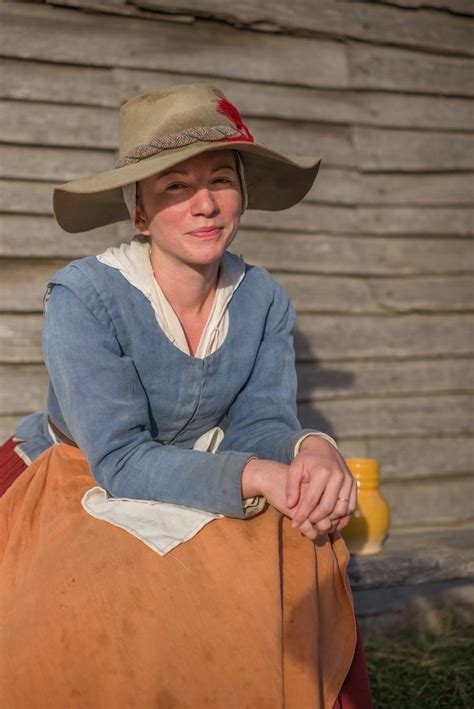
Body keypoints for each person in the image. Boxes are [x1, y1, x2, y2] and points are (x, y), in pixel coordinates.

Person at [0, 84, 372, 708]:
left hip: (207, 463)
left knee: (295, 546)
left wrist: (311, 449)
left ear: (243, 195)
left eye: (221, 180)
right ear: (141, 213)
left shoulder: (263, 298)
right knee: (97, 589)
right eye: (175, 186)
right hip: (81, 469)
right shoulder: (83, 297)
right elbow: (119, 458)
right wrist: (256, 473)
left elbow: (261, 421)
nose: (205, 205)